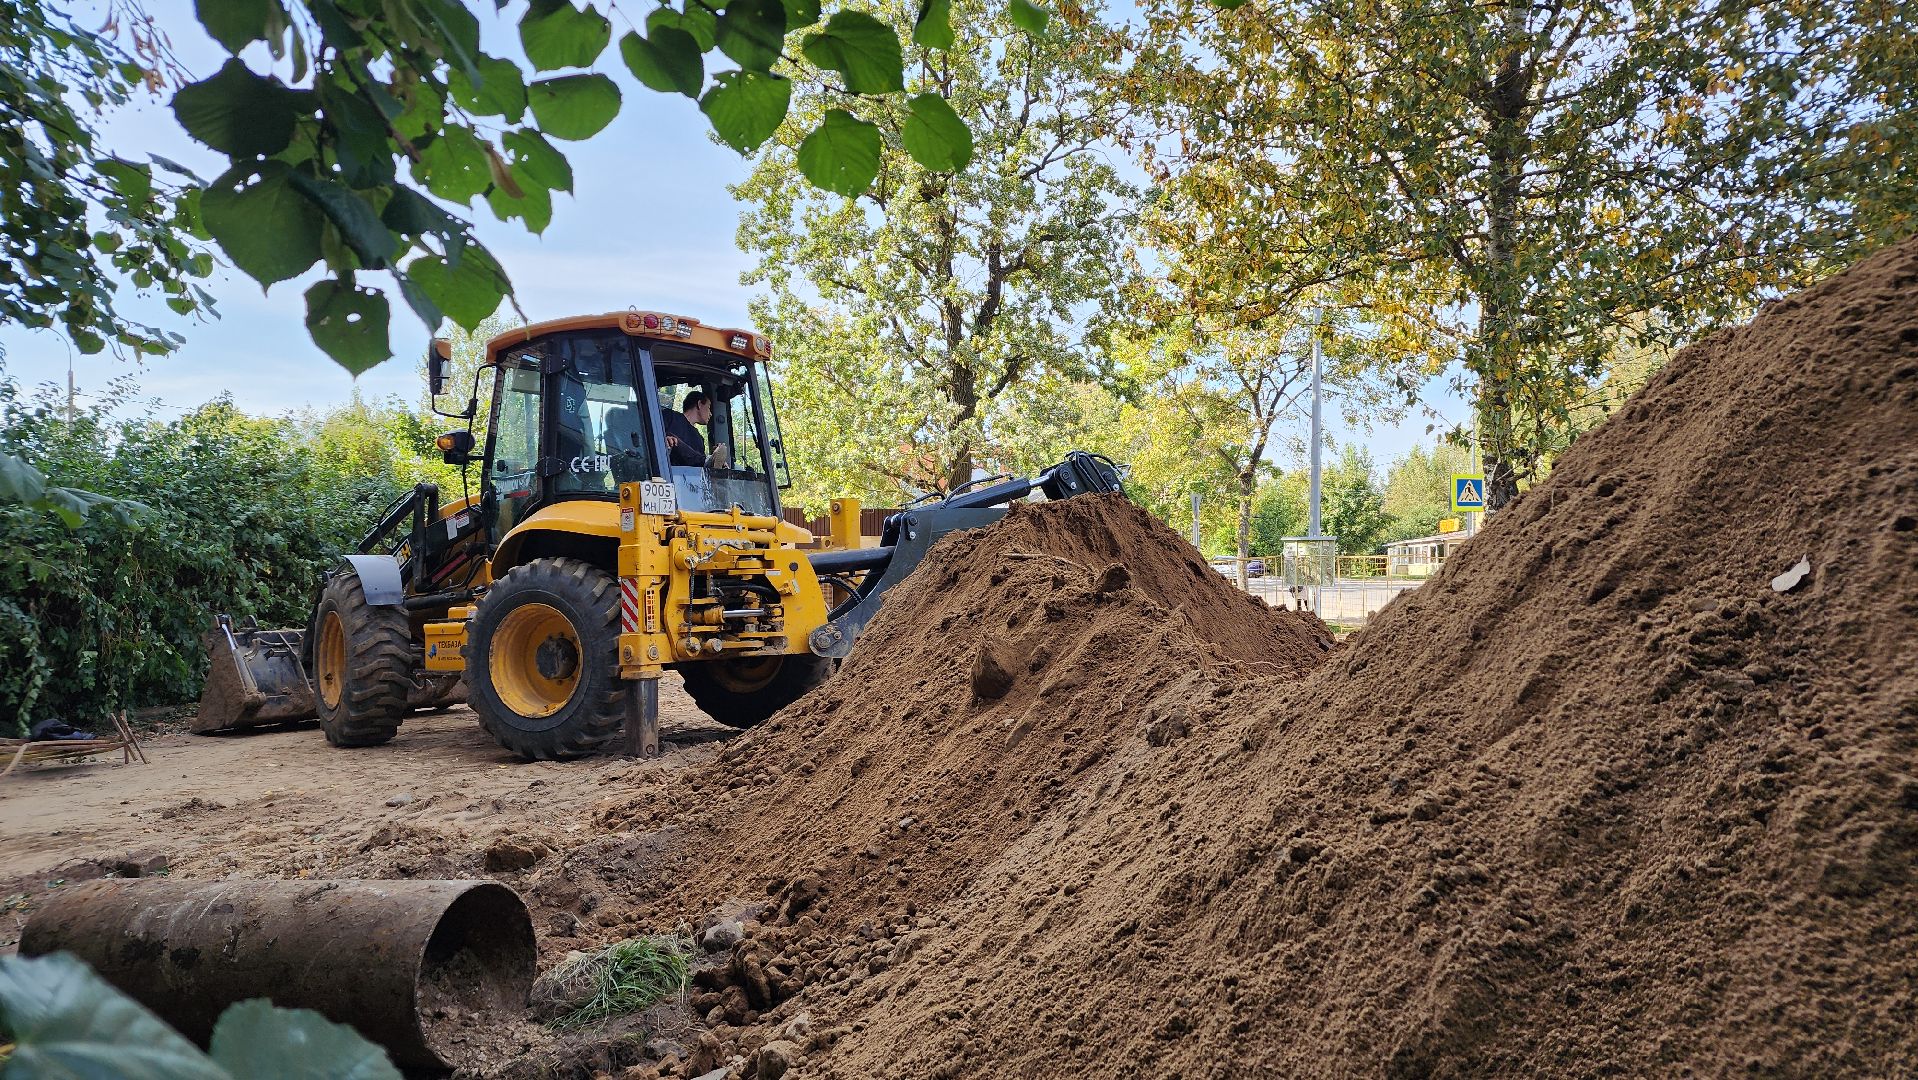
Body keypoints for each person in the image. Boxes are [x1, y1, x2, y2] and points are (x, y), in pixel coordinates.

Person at [662, 390, 730, 469]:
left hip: (687, 478)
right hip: (665, 472)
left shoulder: (699, 438)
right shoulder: (670, 416)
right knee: (672, 438)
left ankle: (709, 462)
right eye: (708, 407)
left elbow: (697, 467)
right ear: (699, 404)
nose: (711, 414)